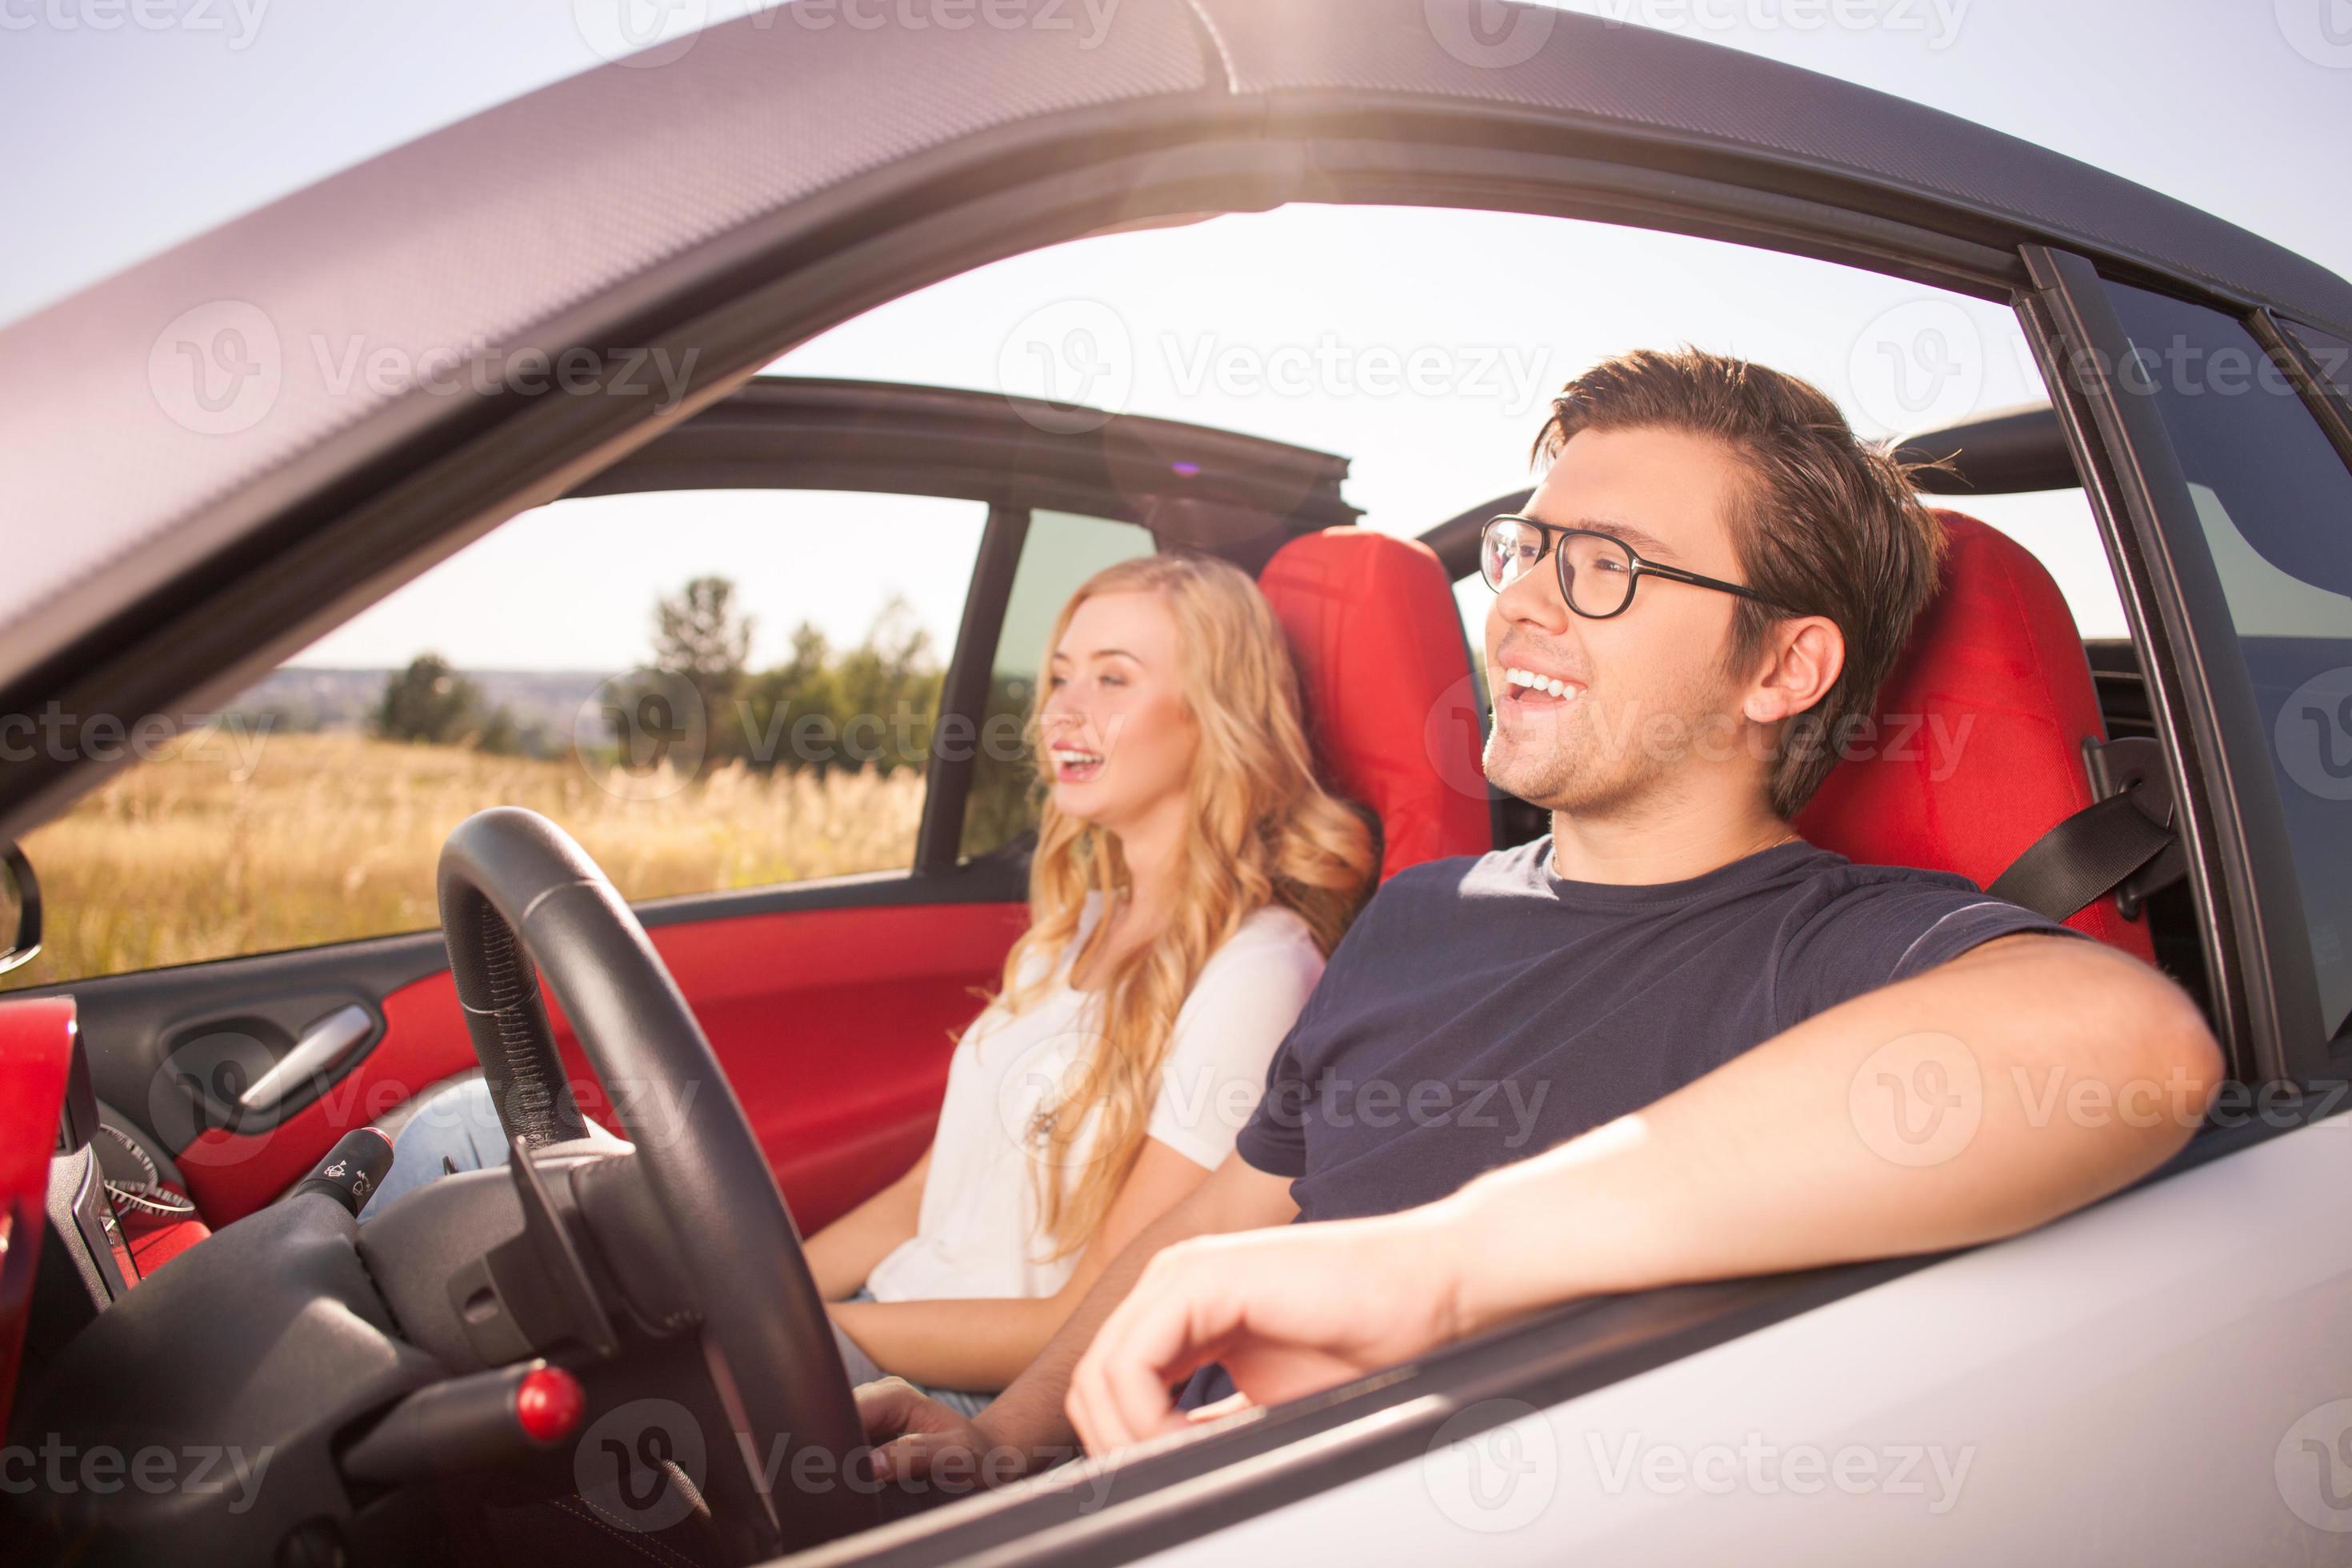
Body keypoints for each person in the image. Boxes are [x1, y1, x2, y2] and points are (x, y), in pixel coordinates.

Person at [856, 347, 2223, 1478]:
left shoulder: (1835, 949)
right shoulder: (1416, 913)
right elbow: (1227, 1206)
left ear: (1786, 667)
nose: (1515, 607)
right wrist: (1014, 1440)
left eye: (1606, 568)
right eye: (1528, 550)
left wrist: (1439, 1271)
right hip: (1121, 1481)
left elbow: (2130, 1049)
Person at [368, 553, 1378, 1414]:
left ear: (1217, 717)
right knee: (464, 1127)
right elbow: (922, 1201)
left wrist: (805, 1330)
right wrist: (763, 1289)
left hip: (960, 1390)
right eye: (1061, 674)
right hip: (873, 1329)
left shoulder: (1257, 971)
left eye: (1113, 680)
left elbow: (1084, 1320)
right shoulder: (1074, 929)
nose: (1063, 709)